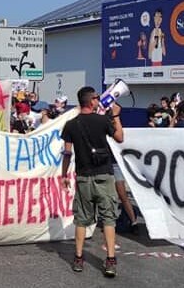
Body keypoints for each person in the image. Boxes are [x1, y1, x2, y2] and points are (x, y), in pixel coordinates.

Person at [60, 86, 124, 277]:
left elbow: (67, 153)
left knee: (81, 220)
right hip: (104, 175)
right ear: (91, 101)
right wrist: (116, 116)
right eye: (96, 97)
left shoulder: (71, 124)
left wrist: (64, 175)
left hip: (83, 178)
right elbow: (120, 138)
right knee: (109, 219)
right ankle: (110, 261)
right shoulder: (103, 120)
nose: (99, 100)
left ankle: (78, 258)